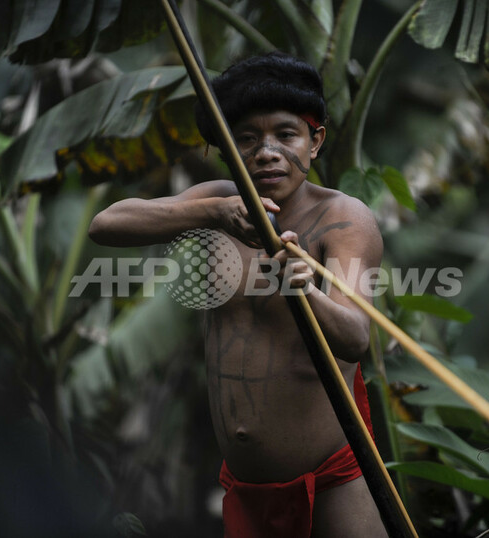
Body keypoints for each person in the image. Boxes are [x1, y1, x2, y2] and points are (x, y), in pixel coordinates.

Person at [89, 52, 387, 538]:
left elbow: (354, 338)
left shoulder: (345, 217)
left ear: (316, 142)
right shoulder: (220, 201)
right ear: (227, 149)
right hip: (243, 488)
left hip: (335, 481)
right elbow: (107, 225)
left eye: (286, 135)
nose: (267, 152)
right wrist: (213, 213)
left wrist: (305, 289)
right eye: (246, 138)